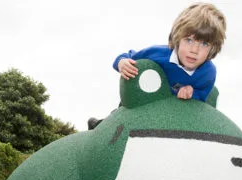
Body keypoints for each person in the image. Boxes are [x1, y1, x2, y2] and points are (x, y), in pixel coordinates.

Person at [88, 2, 226, 130]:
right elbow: (128, 57)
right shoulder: (158, 53)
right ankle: (100, 125)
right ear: (177, 37)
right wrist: (121, 62)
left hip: (171, 112)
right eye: (189, 40)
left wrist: (192, 92)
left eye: (204, 44)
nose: (194, 50)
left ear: (213, 49)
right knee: (118, 117)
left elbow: (202, 96)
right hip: (142, 103)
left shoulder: (208, 72)